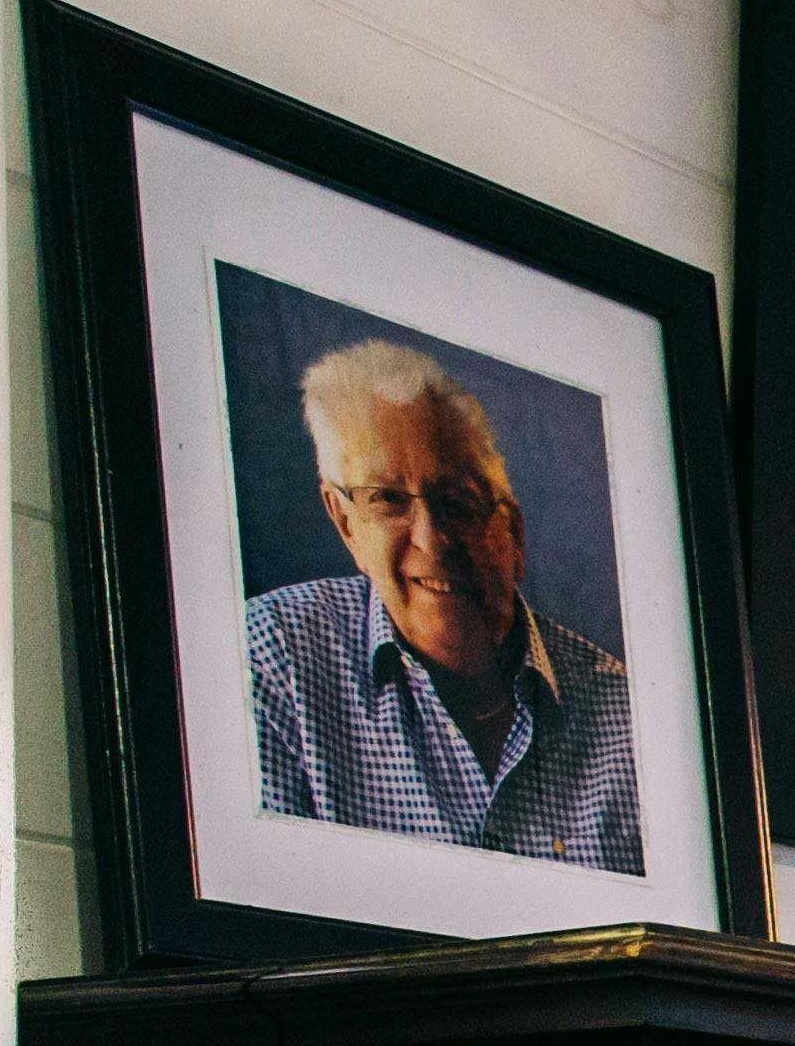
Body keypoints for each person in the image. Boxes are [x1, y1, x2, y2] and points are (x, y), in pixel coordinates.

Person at [244, 337, 644, 874]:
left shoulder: (628, 720)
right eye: (387, 499)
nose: (432, 541)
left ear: (514, 534)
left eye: (460, 502)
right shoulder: (272, 661)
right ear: (345, 523)